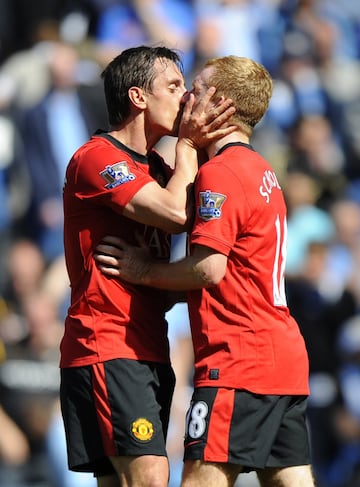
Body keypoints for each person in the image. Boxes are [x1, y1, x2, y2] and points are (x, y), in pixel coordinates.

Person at [94, 55, 316, 487]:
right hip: (283, 358)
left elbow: (210, 269)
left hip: (238, 360)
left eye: (194, 89)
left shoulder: (220, 173)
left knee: (199, 480)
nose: (186, 100)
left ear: (221, 105)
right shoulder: (263, 170)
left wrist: (144, 271)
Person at [60, 44, 236, 487]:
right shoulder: (96, 158)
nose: (186, 98)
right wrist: (191, 145)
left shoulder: (159, 166)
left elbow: (205, 225)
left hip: (147, 346)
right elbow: (176, 214)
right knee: (152, 478)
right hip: (108, 343)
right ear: (139, 97)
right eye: (175, 86)